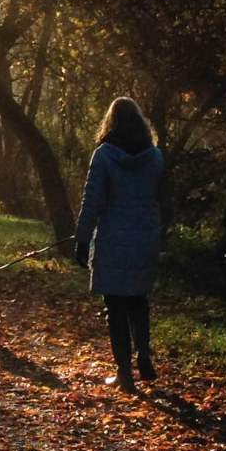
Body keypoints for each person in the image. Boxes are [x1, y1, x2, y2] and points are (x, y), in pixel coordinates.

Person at [70, 97, 164, 393]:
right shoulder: (155, 157)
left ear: (111, 124)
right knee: (139, 301)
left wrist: (82, 240)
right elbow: (163, 200)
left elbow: (92, 202)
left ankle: (125, 374)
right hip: (145, 238)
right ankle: (144, 353)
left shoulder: (104, 156)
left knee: (116, 307)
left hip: (112, 240)